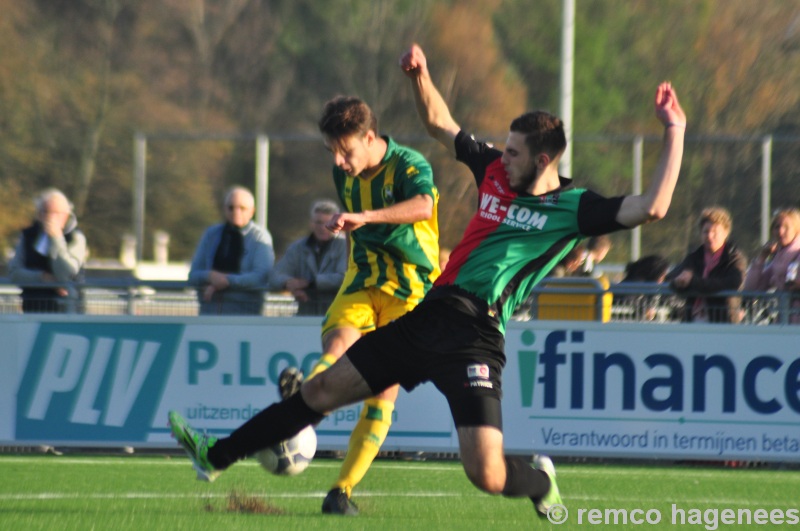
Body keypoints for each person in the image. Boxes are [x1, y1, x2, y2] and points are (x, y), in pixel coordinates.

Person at [168, 43, 685, 520]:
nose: (501, 157)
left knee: (486, 473)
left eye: (513, 152)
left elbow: (654, 206)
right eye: (502, 148)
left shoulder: (575, 209)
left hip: (476, 339)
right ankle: (215, 455)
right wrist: (421, 76)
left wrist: (673, 131)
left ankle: (539, 481)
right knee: (320, 389)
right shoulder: (494, 173)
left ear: (543, 160)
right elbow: (440, 121)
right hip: (429, 315)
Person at [276, 95, 440, 514]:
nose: (339, 161)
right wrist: (349, 225)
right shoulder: (344, 173)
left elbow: (424, 206)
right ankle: (301, 406)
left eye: (345, 151)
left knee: (382, 391)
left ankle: (341, 491)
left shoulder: (409, 165)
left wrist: (366, 217)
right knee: (337, 349)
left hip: (410, 290)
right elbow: (354, 219)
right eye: (332, 151)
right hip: (363, 278)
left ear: (370, 137)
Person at [188, 186, 274, 315]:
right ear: (224, 209)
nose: (236, 212)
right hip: (209, 316)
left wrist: (227, 281)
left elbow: (260, 277)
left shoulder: (260, 237)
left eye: (242, 208)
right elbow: (193, 275)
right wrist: (210, 276)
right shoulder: (211, 234)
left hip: (245, 318)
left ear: (252, 211)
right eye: (231, 207)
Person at [8, 188, 87, 313]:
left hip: (68, 311)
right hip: (33, 309)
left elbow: (67, 274)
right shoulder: (28, 236)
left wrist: (56, 238)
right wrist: (42, 277)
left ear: (67, 215)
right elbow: (14, 273)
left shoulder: (76, 238)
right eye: (46, 212)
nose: (51, 218)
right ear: (39, 215)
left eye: (57, 213)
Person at [269, 199, 347, 316]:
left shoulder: (345, 246)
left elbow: (344, 278)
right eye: (319, 222)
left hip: (337, 316)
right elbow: (275, 276)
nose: (323, 227)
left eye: (328, 222)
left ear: (337, 223)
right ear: (311, 223)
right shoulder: (298, 248)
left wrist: (310, 283)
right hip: (306, 316)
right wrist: (290, 284)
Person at [668, 207, 746, 323]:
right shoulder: (694, 257)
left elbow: (733, 282)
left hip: (722, 322)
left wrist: (693, 282)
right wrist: (679, 281)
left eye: (715, 232)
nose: (709, 236)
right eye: (706, 231)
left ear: (726, 233)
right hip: (693, 319)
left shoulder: (734, 258)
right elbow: (672, 278)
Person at [743, 207, 800, 323]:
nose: (780, 231)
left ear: (797, 230)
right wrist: (761, 258)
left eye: (786, 227)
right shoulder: (777, 259)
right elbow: (751, 288)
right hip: (784, 320)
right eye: (776, 227)